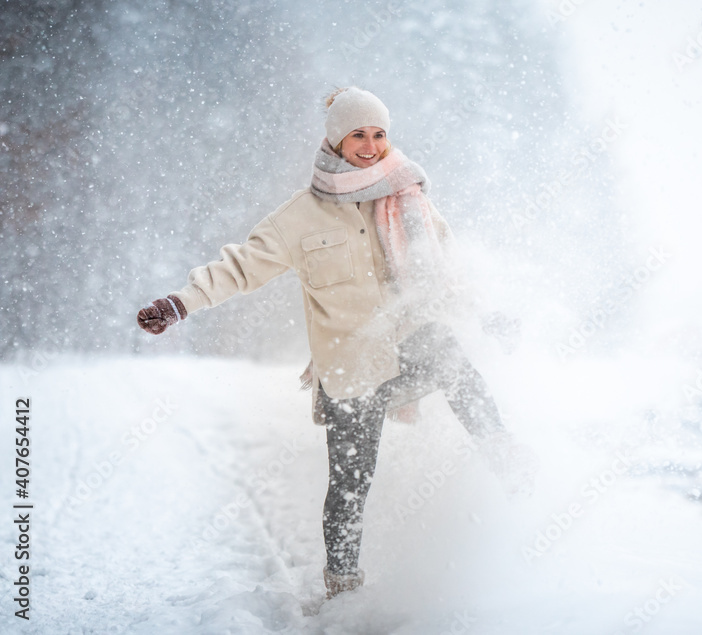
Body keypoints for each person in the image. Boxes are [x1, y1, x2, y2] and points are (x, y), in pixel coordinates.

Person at [136, 86, 535, 599]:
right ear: (335, 140)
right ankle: (342, 585)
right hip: (351, 367)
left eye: (379, 134)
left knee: (450, 354)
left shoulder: (408, 197)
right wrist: (181, 303)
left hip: (409, 341)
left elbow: (448, 271)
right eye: (358, 135)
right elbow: (241, 266)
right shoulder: (301, 216)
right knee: (351, 482)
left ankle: (507, 457)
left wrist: (487, 316)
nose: (370, 145)